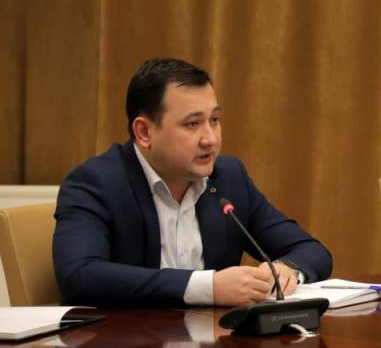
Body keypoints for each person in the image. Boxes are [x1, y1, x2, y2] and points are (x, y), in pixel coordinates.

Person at [53, 58, 332, 307]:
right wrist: (208, 287)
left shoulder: (228, 178)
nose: (210, 139)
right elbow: (79, 276)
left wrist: (287, 269)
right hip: (125, 344)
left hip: (213, 343)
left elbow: (313, 251)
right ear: (144, 132)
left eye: (215, 120)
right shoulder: (96, 183)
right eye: (192, 124)